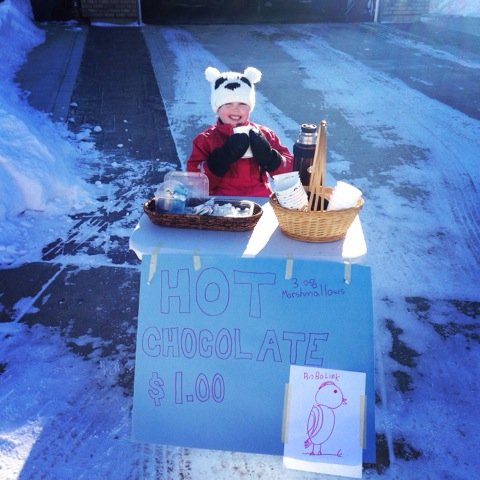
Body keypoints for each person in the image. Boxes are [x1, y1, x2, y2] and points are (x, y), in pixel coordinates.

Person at [186, 66, 293, 196]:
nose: (235, 110)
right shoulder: (205, 139)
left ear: (250, 107)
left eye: (242, 104)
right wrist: (220, 159)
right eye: (228, 104)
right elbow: (195, 183)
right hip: (221, 202)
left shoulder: (264, 134)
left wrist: (271, 158)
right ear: (217, 108)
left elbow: (290, 174)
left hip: (260, 199)